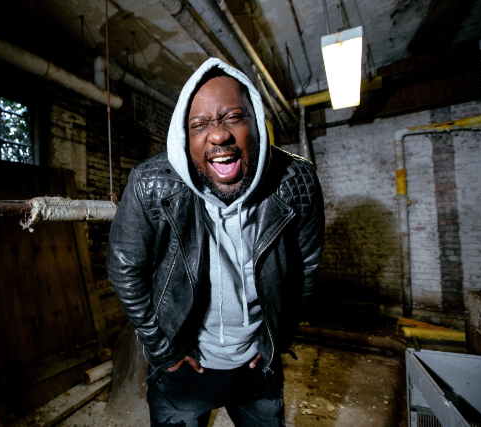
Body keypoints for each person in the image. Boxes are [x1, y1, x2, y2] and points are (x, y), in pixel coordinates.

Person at [106, 58, 325, 427]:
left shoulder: (295, 181)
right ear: (184, 138)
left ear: (257, 123)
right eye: (199, 125)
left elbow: (306, 268)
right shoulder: (151, 184)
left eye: (233, 117)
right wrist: (163, 351)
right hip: (183, 371)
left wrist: (278, 340)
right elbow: (124, 269)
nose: (219, 136)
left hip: (258, 369)